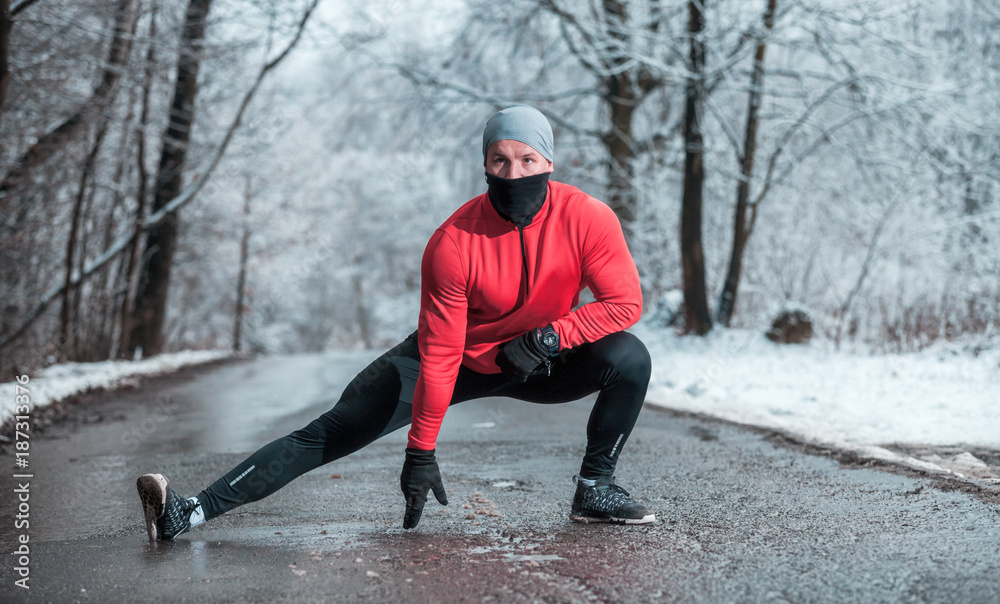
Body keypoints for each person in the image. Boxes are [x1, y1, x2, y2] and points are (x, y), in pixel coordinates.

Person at [136, 104, 654, 541]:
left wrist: (549, 336)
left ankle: (595, 488)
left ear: (549, 162)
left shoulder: (588, 218)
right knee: (330, 431)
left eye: (527, 159)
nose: (514, 174)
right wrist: (420, 450)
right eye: (500, 161)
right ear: (485, 165)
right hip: (462, 359)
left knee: (627, 356)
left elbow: (624, 304)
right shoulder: (453, 242)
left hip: (543, 360)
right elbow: (443, 353)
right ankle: (188, 513)